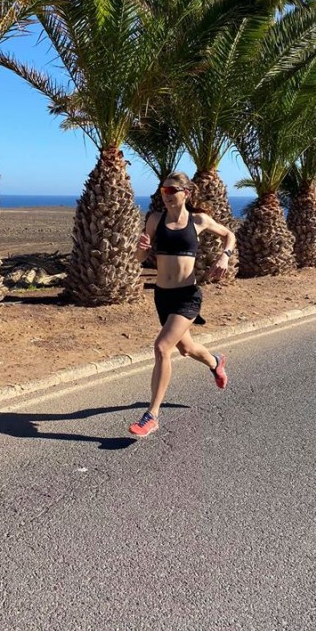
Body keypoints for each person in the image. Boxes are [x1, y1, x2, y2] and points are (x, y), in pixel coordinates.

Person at [129, 172, 237, 438]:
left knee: (162, 347)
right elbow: (140, 257)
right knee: (186, 349)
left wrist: (225, 256)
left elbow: (229, 235)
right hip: (162, 296)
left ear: (185, 193)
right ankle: (215, 362)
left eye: (171, 191)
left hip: (187, 296)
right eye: (162, 191)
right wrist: (142, 247)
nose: (165, 195)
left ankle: (152, 415)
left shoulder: (198, 220)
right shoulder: (155, 219)